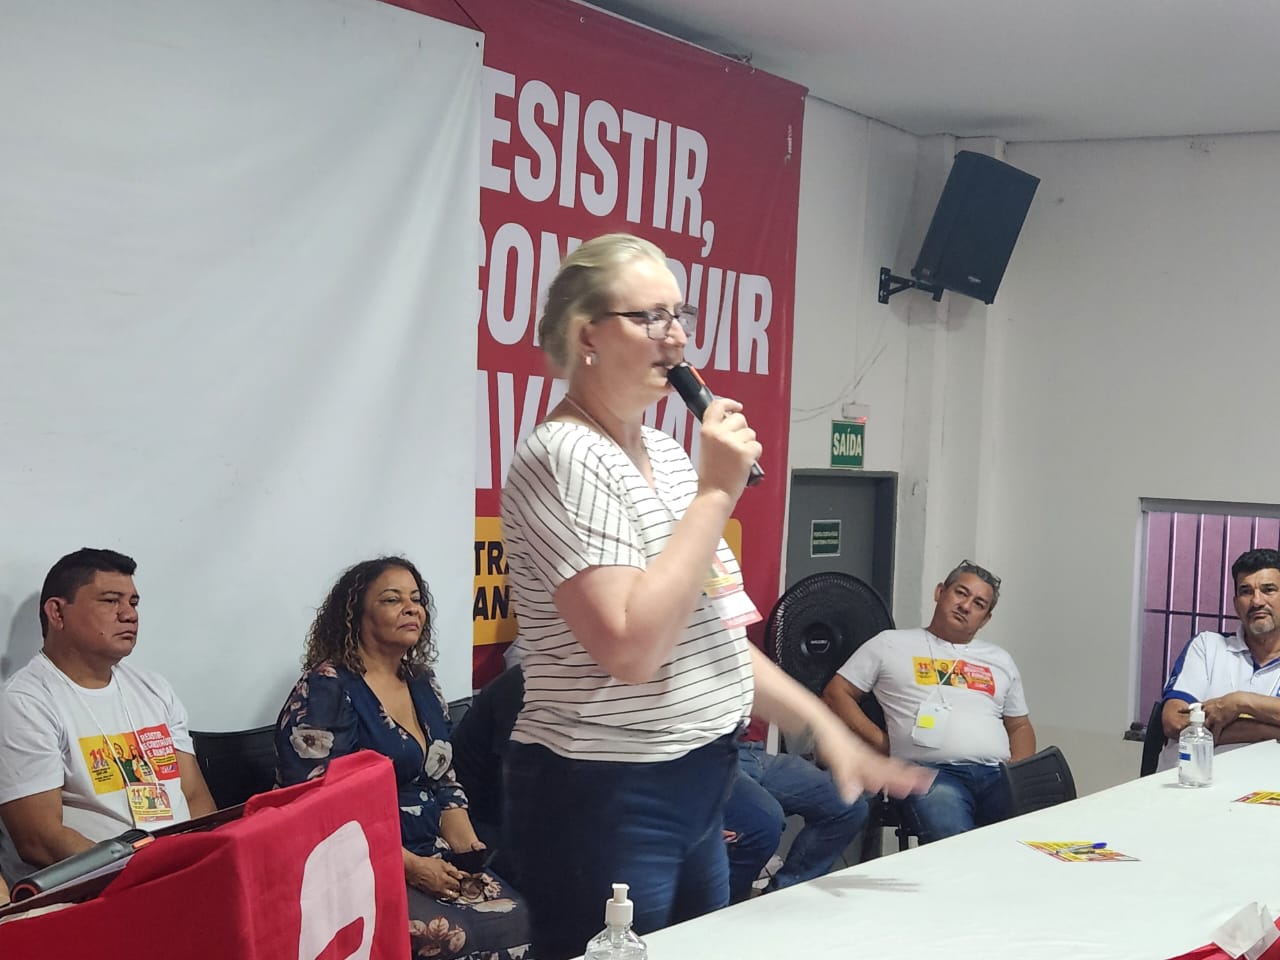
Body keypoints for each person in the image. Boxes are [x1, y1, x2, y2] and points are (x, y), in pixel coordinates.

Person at [499, 232, 930, 959]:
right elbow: (631, 649)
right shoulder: (563, 456)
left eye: (680, 313)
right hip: (606, 791)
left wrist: (825, 730)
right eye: (649, 316)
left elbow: (714, 636)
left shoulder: (669, 456)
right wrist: (716, 495)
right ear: (587, 335)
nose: (676, 336)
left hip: (700, 775)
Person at [275, 557, 530, 960]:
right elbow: (317, 805)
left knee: (516, 917)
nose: (411, 608)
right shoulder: (326, 687)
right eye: (393, 600)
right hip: (356, 860)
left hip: (429, 850)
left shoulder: (422, 681)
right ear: (356, 616)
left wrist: (469, 855)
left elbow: (444, 782)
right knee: (448, 936)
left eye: (416, 599)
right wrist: (409, 866)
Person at [0, 548, 216, 882]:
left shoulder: (154, 688)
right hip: (98, 887)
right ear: (57, 613)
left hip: (178, 872)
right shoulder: (25, 702)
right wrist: (142, 875)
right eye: (111, 601)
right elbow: (40, 841)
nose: (129, 614)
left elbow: (195, 798)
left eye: (134, 603)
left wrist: (202, 860)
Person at [823, 560, 1034, 844]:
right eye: (961, 593)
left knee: (1031, 835)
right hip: (928, 774)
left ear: (985, 619)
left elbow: (1019, 726)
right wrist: (880, 741)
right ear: (939, 592)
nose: (965, 606)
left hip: (996, 774)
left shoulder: (999, 659)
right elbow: (837, 693)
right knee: (955, 840)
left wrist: (1018, 773)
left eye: (979, 604)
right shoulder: (889, 644)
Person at [1160, 548, 1280, 750]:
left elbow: (1192, 727)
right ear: (1236, 604)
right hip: (1194, 769)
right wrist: (1270, 731)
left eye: (1268, 590)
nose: (1257, 601)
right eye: (1246, 591)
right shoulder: (1207, 646)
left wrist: (1239, 702)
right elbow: (1175, 722)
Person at [733, 729, 869, 893]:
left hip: (752, 752)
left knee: (848, 805)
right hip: (713, 756)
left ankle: (785, 894)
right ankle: (729, 902)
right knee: (765, 822)